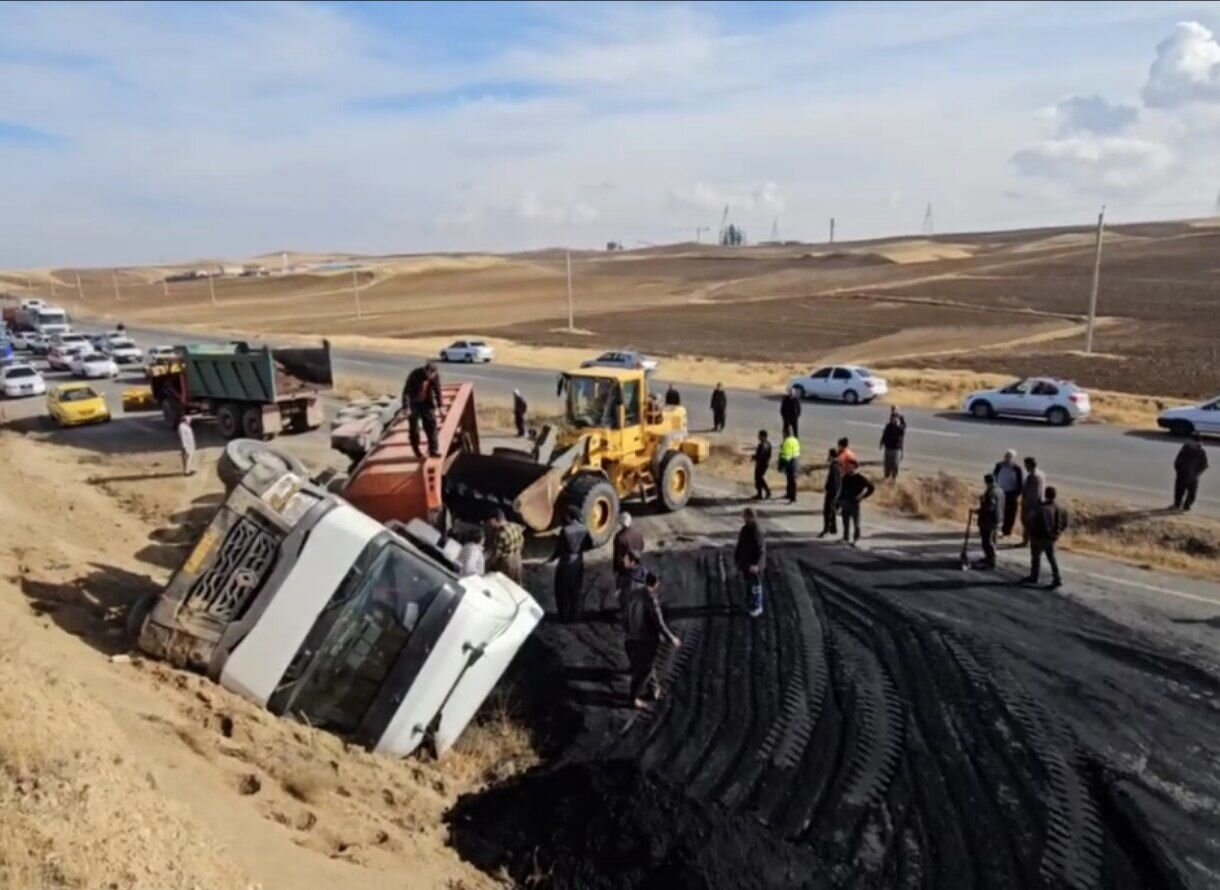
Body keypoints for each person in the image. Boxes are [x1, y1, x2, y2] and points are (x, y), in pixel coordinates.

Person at [620, 552, 681, 709]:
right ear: (654, 584)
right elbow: (658, 622)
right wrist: (671, 638)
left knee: (643, 664)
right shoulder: (650, 599)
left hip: (630, 637)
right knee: (644, 669)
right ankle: (633, 698)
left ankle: (654, 689)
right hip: (645, 639)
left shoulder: (630, 593)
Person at [1023, 485, 1068, 589]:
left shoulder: (1040, 508)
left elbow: (1030, 521)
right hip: (1051, 538)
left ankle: (1034, 576)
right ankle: (1057, 578)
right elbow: (1064, 523)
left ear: (1045, 494)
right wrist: (1057, 533)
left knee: (1035, 557)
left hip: (1038, 537)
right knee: (1051, 558)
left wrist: (1031, 533)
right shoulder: (1060, 508)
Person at [551, 508, 592, 621]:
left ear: (570, 516)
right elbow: (589, 544)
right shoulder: (584, 528)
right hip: (578, 561)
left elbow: (559, 548)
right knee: (576, 589)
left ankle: (563, 616)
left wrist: (552, 558)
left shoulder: (565, 531)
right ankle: (574, 615)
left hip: (566, 562)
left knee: (562, 589)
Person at [402, 361, 443, 458]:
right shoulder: (415, 374)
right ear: (425, 371)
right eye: (428, 374)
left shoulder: (435, 376)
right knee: (414, 429)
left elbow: (437, 390)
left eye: (432, 375)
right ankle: (416, 450)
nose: (430, 377)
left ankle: (433, 450)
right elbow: (406, 392)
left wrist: (440, 406)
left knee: (431, 426)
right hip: (414, 404)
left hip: (426, 403)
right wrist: (406, 407)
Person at [734, 508, 766, 618]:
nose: (744, 519)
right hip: (745, 563)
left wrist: (757, 565)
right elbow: (740, 545)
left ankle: (757, 606)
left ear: (752, 517)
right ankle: (748, 603)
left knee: (755, 587)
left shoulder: (757, 532)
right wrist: (737, 558)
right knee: (748, 585)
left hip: (754, 565)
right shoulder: (744, 530)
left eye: (746, 517)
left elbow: (761, 550)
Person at [838, 461, 876, 544]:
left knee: (856, 522)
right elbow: (841, 490)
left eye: (851, 467)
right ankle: (846, 537)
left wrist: (862, 496)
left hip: (854, 503)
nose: (848, 469)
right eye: (847, 467)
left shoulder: (860, 478)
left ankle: (856, 538)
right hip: (845, 501)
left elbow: (871, 488)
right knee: (845, 521)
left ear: (855, 468)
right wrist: (839, 502)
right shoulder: (845, 477)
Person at [974, 474, 1005, 570]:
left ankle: (991, 561)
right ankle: (989, 558)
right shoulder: (1000, 490)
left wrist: (981, 506)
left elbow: (990, 507)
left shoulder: (991, 492)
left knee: (987, 542)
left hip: (989, 521)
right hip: (998, 519)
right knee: (992, 541)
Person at [1173, 433, 1209, 512]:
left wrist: (1196, 475)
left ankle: (1187, 506)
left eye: (1191, 441)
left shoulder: (1201, 452)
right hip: (1182, 475)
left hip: (1193, 477)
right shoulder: (1185, 448)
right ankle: (1177, 504)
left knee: (1192, 493)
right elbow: (1177, 461)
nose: (1189, 442)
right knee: (1179, 491)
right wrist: (1179, 470)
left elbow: (1204, 465)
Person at [486, 510, 524, 584]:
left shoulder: (501, 534)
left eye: (490, 522)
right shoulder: (516, 526)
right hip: (517, 559)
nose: (490, 524)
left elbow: (496, 555)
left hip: (506, 564)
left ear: (494, 520)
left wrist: (488, 565)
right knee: (515, 583)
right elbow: (522, 542)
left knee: (504, 583)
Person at [993, 449, 1024, 538]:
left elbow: (1020, 484)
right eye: (1006, 456)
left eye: (1009, 456)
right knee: (997, 512)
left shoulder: (1017, 469)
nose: (1007, 458)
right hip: (999, 492)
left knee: (1010, 514)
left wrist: (1016, 495)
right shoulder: (999, 465)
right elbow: (994, 477)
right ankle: (996, 529)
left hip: (1011, 494)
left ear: (1013, 458)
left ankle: (1006, 531)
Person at [1020, 456, 1046, 545]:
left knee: (1028, 523)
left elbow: (1034, 492)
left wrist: (1028, 505)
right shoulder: (1041, 474)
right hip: (1036, 502)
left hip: (1031, 503)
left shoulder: (1034, 476)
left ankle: (1026, 541)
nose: (1025, 467)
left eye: (1026, 465)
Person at [612, 512, 644, 578]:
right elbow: (642, 546)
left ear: (621, 523)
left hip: (625, 569)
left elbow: (617, 556)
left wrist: (615, 569)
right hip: (636, 564)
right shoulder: (638, 533)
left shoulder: (619, 537)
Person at [879, 407, 906, 481]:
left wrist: (900, 416)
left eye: (895, 418)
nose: (893, 420)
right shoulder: (888, 426)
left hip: (895, 449)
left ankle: (894, 478)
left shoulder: (899, 428)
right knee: (887, 464)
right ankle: (886, 476)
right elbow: (884, 435)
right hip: (887, 448)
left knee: (894, 464)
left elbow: (904, 426)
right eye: (892, 418)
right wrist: (881, 443)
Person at [820, 447, 842, 538]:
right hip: (836, 492)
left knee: (827, 511)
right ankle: (833, 528)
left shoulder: (834, 466)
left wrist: (828, 489)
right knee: (832, 510)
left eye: (829, 455)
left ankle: (826, 529)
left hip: (832, 492)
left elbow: (833, 481)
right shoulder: (838, 465)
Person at [779, 431, 801, 503]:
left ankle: (793, 497)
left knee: (792, 480)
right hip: (795, 460)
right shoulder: (795, 440)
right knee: (790, 480)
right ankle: (789, 494)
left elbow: (786, 456)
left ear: (786, 434)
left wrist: (781, 466)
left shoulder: (787, 442)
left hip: (791, 462)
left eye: (783, 433)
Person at [752, 430, 772, 500]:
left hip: (762, 464)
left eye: (759, 435)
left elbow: (760, 455)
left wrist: (754, 457)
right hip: (764, 463)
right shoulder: (767, 444)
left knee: (759, 478)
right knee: (759, 478)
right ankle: (760, 494)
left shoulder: (763, 445)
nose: (758, 437)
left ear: (763, 436)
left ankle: (766, 491)